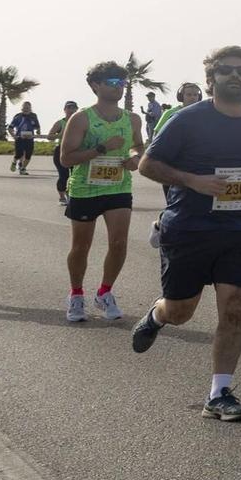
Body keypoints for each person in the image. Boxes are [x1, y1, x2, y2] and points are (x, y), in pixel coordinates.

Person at [131, 45, 241, 422]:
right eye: (226, 70)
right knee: (181, 311)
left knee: (234, 307)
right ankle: (156, 316)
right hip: (191, 226)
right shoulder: (187, 120)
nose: (234, 76)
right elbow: (148, 164)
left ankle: (219, 392)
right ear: (211, 77)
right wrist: (191, 180)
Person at [58, 60, 146, 323]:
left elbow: (138, 146)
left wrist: (134, 158)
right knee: (81, 246)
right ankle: (76, 294)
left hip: (118, 187)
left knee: (118, 243)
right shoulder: (82, 118)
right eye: (111, 83)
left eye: (122, 83)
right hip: (85, 189)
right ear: (96, 86)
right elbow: (66, 158)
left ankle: (105, 292)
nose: (118, 88)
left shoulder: (132, 118)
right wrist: (101, 148)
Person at [147, 82, 204, 250]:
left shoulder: (206, 113)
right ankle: (159, 225)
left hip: (197, 167)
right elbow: (157, 136)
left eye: (195, 94)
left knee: (197, 204)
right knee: (176, 205)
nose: (192, 97)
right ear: (181, 96)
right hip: (172, 167)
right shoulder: (171, 113)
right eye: (189, 94)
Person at [46, 100, 77, 205]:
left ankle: (71, 196)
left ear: (76, 109)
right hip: (61, 150)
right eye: (68, 108)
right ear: (64, 110)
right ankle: (62, 197)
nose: (71, 110)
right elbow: (49, 137)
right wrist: (60, 135)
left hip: (76, 151)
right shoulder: (60, 123)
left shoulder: (81, 122)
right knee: (63, 175)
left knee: (75, 175)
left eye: (73, 108)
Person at [8, 101, 41, 176]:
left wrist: (38, 131)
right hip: (20, 138)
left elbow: (37, 127)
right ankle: (14, 162)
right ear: (22, 108)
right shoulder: (18, 117)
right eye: (24, 107)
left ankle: (23, 168)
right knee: (19, 154)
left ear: (30, 108)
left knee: (28, 155)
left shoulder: (33, 116)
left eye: (28, 108)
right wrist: (14, 136)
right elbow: (10, 128)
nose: (26, 109)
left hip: (30, 138)